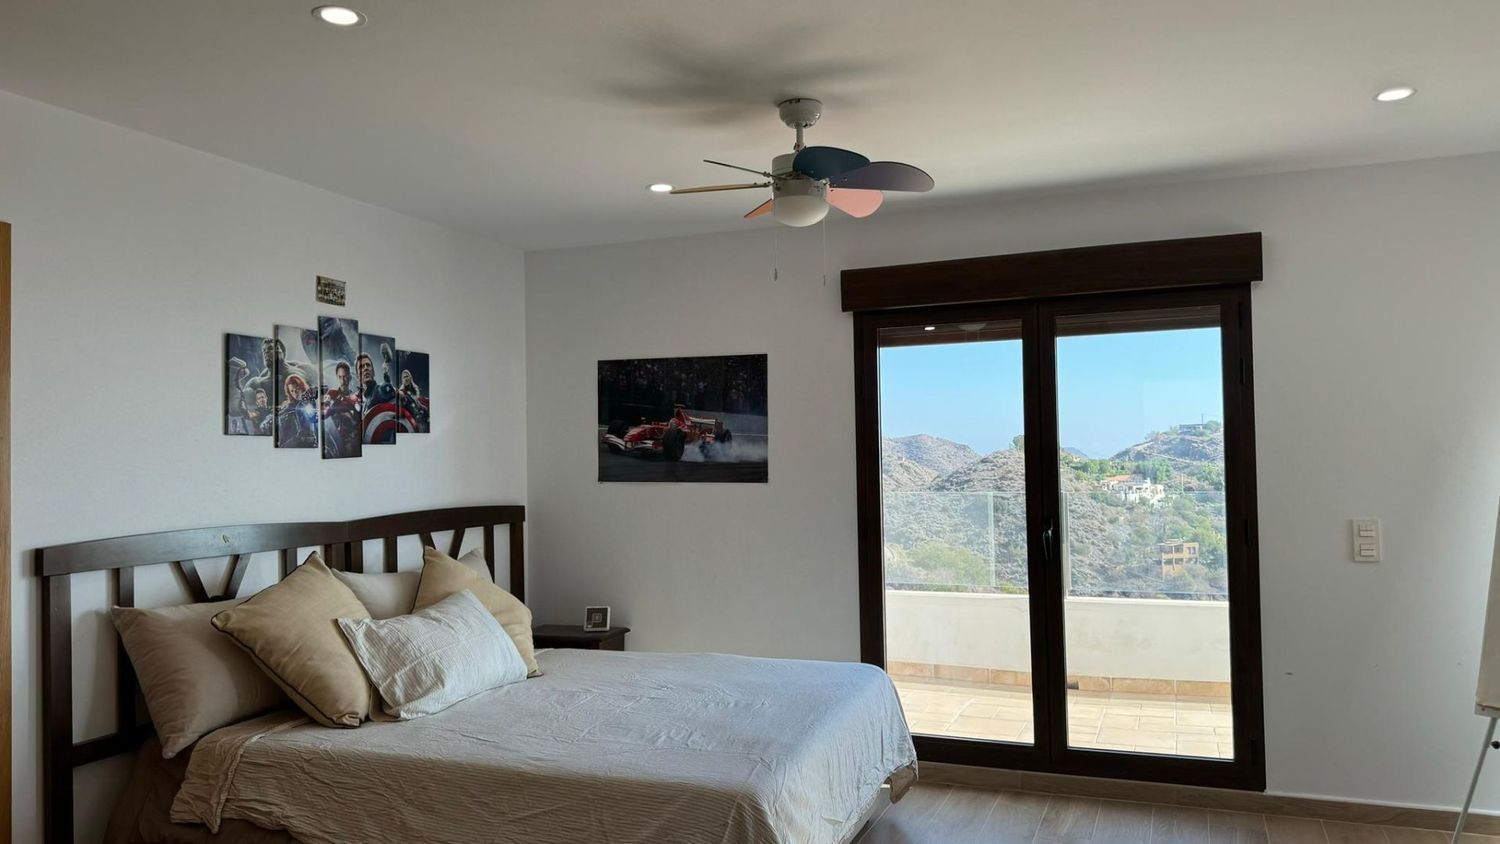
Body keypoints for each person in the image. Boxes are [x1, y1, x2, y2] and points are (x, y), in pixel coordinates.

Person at [321, 360, 361, 457]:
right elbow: (323, 414)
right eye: (340, 377)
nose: (343, 380)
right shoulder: (332, 394)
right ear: (337, 377)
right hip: (335, 439)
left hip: (352, 440)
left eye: (345, 377)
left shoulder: (356, 397)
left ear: (350, 377)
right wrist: (329, 403)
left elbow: (359, 421)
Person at [276, 373, 318, 448]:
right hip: (297, 442)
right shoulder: (288, 409)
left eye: (297, 389)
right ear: (289, 393)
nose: (295, 393)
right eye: (292, 391)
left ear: (302, 387)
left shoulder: (310, 401)